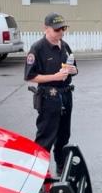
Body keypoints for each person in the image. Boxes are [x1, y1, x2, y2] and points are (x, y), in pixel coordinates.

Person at [24, 12, 78, 174]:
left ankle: (61, 166)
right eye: (57, 30)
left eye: (63, 28)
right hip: (49, 97)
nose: (61, 32)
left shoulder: (65, 46)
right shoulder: (38, 49)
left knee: (63, 135)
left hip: (66, 95)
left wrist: (73, 70)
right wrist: (53, 77)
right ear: (46, 29)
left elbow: (73, 68)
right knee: (46, 136)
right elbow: (30, 76)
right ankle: (38, 171)